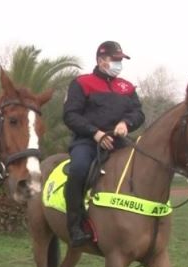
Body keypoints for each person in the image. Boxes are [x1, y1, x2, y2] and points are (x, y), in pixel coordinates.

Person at [62, 41, 145, 247]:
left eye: (120, 60)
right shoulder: (82, 83)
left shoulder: (126, 87)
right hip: (88, 142)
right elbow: (70, 115)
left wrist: (127, 123)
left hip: (120, 142)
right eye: (115, 60)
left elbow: (138, 113)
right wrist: (95, 133)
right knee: (79, 169)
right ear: (101, 61)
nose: (119, 64)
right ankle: (76, 226)